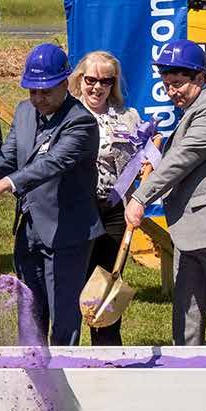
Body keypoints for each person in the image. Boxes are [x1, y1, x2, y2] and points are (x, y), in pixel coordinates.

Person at [0, 43, 102, 346]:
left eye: (46, 92)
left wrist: (4, 184)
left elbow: (51, 163)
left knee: (63, 314)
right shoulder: (24, 111)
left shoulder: (80, 122)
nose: (39, 99)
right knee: (30, 310)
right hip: (29, 229)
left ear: (65, 84)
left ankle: (63, 366)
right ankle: (32, 362)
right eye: (33, 91)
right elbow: (12, 152)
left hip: (67, 232)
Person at [124, 40, 206, 346]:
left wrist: (140, 197)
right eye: (166, 85)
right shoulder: (192, 110)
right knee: (185, 322)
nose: (171, 92)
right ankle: (185, 372)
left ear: (200, 77)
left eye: (178, 84)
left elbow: (182, 159)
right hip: (187, 232)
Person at [69, 51, 143, 346]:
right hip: (77, 210)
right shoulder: (67, 113)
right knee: (76, 283)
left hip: (113, 210)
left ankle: (108, 348)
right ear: (80, 79)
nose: (97, 87)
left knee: (108, 284)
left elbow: (138, 161)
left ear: (114, 84)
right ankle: (68, 348)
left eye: (106, 81)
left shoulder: (128, 117)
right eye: (91, 80)